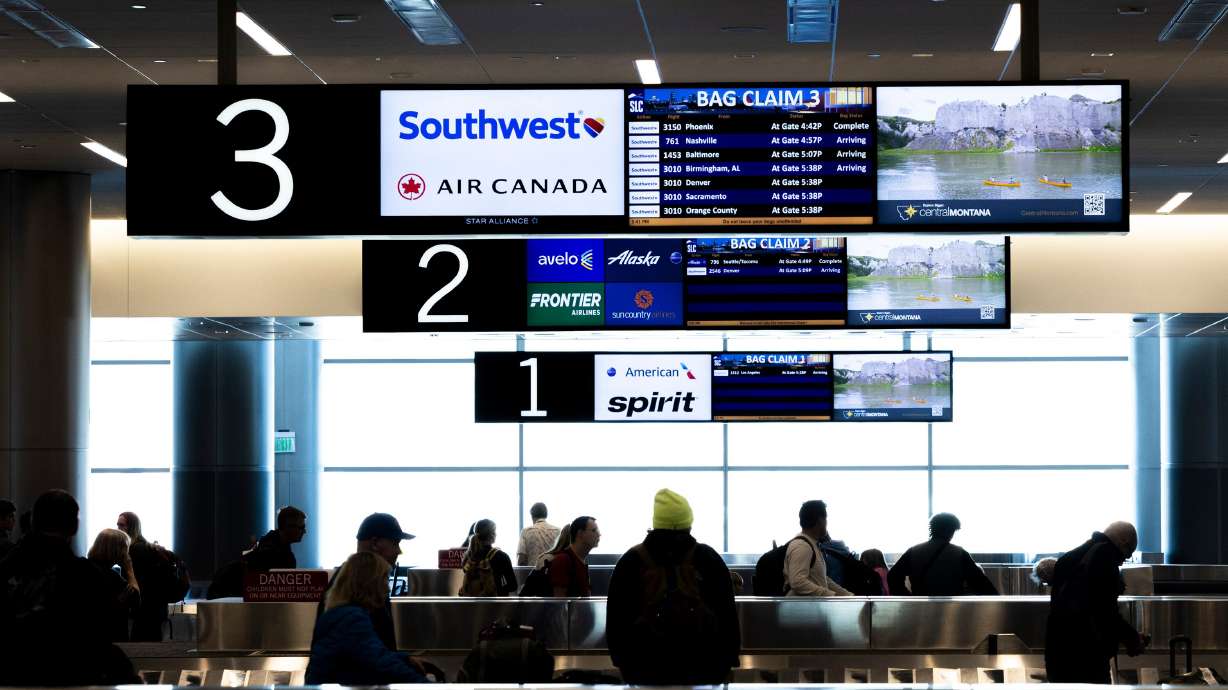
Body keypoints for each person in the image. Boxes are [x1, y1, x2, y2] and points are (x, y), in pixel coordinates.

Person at [0, 490, 137, 685]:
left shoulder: (12, 567)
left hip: (17, 675)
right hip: (76, 676)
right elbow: (101, 635)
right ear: (75, 526)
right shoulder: (87, 575)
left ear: (33, 523)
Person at [606, 489, 740, 684]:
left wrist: (624, 664)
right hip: (703, 669)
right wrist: (727, 662)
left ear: (656, 523)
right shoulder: (707, 558)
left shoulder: (631, 561)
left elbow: (616, 621)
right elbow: (727, 614)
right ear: (688, 523)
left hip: (645, 670)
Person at [1045, 522, 1148, 684]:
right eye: (1127, 553)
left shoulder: (1071, 557)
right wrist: (1132, 638)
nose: (1122, 561)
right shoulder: (1105, 557)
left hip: (1057, 657)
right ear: (1122, 542)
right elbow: (1105, 612)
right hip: (1086, 661)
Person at [306, 552, 428, 685]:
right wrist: (428, 686)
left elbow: (368, 653)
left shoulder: (341, 613)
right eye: (385, 579)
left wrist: (405, 659)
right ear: (370, 583)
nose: (388, 588)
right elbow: (382, 663)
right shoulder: (352, 619)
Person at [316, 512, 415, 653]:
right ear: (374, 543)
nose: (399, 551)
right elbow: (366, 653)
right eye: (395, 543)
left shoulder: (352, 580)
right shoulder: (360, 585)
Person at [888, 513, 998, 596]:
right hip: (951, 610)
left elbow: (893, 576)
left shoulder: (913, 551)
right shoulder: (959, 553)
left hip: (920, 609)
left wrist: (908, 598)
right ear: (950, 531)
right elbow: (981, 583)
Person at [117, 511, 172, 641]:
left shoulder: (133, 550)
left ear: (131, 527)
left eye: (122, 525)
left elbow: (135, 582)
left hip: (145, 609)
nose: (118, 529)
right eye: (117, 525)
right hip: (156, 608)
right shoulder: (147, 547)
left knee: (140, 649)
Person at [786, 500, 852, 596]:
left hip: (808, 608)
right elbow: (797, 582)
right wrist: (830, 595)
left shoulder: (812, 544)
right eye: (826, 519)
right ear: (820, 520)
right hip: (802, 610)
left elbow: (822, 580)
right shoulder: (802, 546)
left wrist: (847, 595)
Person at [87, 528, 141, 641]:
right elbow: (135, 599)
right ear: (117, 550)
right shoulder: (112, 577)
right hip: (112, 638)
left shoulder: (83, 567)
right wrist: (129, 569)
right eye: (125, 548)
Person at [458, 519, 517, 596]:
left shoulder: (468, 557)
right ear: (492, 535)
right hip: (494, 605)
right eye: (495, 532)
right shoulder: (501, 556)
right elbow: (512, 586)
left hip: (471, 605)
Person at [549, 516, 599, 597]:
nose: (599, 534)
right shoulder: (563, 560)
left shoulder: (580, 560)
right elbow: (559, 603)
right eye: (594, 530)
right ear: (580, 533)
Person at [246, 506, 307, 571]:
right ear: (289, 526)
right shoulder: (281, 558)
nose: (304, 531)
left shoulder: (266, 544)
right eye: (301, 527)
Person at [517, 502, 560, 567]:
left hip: (533, 574)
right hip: (553, 574)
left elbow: (521, 560)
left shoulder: (526, 531)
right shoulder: (558, 531)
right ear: (546, 515)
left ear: (532, 516)